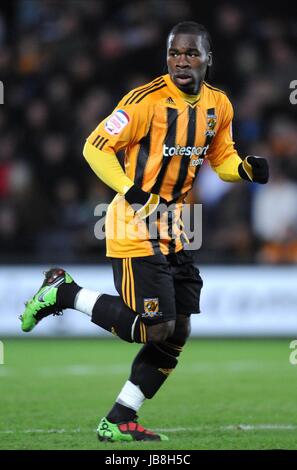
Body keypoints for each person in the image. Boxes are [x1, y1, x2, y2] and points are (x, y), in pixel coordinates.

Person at [20, 21, 269, 442]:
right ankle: (64, 293)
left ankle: (119, 417)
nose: (182, 61)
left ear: (209, 58)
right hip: (133, 225)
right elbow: (93, 147)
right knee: (155, 327)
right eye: (175, 53)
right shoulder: (145, 101)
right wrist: (133, 192)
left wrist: (243, 169)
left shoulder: (219, 105)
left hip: (177, 227)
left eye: (191, 53)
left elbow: (221, 156)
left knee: (180, 329)